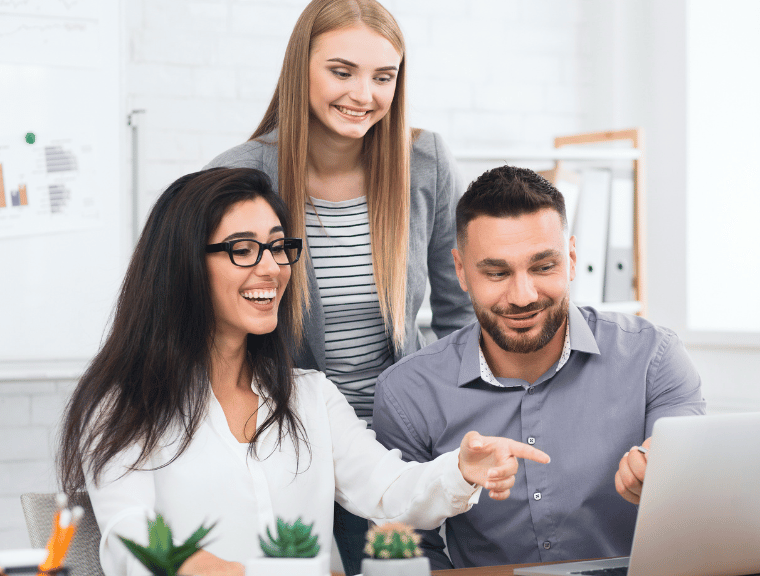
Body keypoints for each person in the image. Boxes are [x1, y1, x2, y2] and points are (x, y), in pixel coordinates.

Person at [56, 167, 548, 576]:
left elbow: (386, 490)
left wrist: (460, 470)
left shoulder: (308, 396)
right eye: (243, 249)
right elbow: (130, 542)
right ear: (183, 264)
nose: (271, 267)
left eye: (277, 246)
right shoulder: (124, 405)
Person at [204, 0, 474, 568]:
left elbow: (460, 313)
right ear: (301, 67)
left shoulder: (424, 161)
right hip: (289, 439)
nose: (364, 95)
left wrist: (464, 421)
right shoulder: (240, 175)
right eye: (342, 71)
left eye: (384, 77)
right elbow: (208, 317)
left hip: (401, 444)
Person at [372, 165, 707, 569]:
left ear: (571, 257)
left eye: (543, 267)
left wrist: (671, 477)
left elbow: (697, 504)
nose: (523, 295)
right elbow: (408, 549)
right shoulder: (409, 392)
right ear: (460, 270)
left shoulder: (654, 358)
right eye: (496, 272)